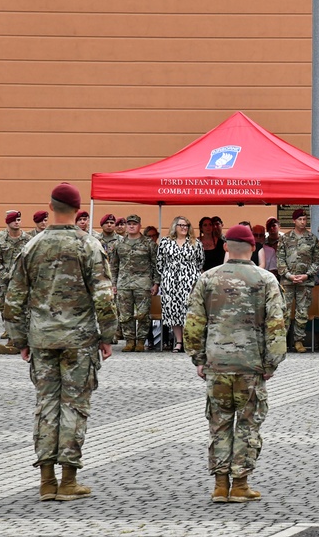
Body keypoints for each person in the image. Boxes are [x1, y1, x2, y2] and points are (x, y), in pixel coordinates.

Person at [4, 182, 117, 502]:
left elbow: (13, 299)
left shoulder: (32, 246)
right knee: (74, 406)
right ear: (78, 210)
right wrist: (107, 336)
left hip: (41, 339)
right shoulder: (90, 246)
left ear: (50, 207)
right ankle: (68, 480)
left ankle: (45, 480)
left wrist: (19, 339)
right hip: (79, 340)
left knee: (46, 406)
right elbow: (104, 297)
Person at [184, 224, 286, 503]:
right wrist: (272, 363)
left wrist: (199, 358)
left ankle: (220, 485)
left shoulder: (207, 279)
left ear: (226, 246)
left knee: (219, 423)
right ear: (253, 248)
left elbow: (193, 323)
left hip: (217, 364)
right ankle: (240, 484)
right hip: (250, 365)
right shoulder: (265, 280)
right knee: (248, 424)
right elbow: (276, 325)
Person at [109, 214, 160, 352]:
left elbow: (156, 265)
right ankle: (129, 341)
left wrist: (156, 283)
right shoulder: (118, 244)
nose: (131, 226)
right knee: (125, 315)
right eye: (129, 223)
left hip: (143, 284)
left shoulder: (149, 244)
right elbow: (114, 266)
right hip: (123, 284)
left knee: (143, 314)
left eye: (134, 224)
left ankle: (141, 342)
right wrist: (113, 283)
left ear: (139, 226)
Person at [276, 208, 319, 354]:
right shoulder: (285, 238)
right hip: (288, 281)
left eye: (304, 219)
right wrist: (288, 275)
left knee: (302, 312)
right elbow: (280, 258)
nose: (303, 222)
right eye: (300, 219)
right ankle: (282, 341)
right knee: (285, 311)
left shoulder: (312, 239)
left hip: (305, 281)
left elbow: (317, 261)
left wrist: (307, 275)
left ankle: (298, 340)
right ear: (294, 221)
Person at [157, 216, 204, 353]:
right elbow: (159, 263)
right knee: (174, 311)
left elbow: (200, 262)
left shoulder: (195, 243)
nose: (184, 228)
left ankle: (189, 340)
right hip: (171, 281)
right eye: (181, 225)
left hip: (190, 280)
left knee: (188, 310)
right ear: (174, 226)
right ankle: (179, 341)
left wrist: (190, 274)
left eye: (187, 225)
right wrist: (167, 275)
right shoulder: (165, 242)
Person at [0, 210, 31, 354]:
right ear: (8, 222)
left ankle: (22, 340)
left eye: (19, 220)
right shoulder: (0, 241)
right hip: (6, 282)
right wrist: (5, 276)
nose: (17, 222)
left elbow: (32, 259)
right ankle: (12, 338)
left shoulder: (27, 239)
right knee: (7, 309)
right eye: (14, 220)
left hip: (24, 282)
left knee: (25, 309)